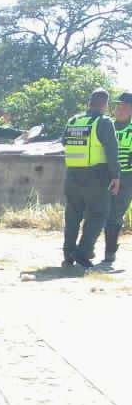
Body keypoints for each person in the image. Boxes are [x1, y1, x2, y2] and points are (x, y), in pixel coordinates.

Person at [62, 89, 121, 270]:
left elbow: (64, 142)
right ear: (105, 104)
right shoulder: (104, 122)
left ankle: (68, 254)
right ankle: (83, 252)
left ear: (89, 102)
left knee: (72, 216)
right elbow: (112, 151)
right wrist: (116, 176)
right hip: (96, 176)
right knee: (98, 215)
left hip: (72, 175)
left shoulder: (73, 120)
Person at [102, 92, 132, 267]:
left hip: (126, 178)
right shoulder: (107, 126)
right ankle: (86, 249)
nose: (119, 110)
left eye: (124, 107)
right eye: (117, 106)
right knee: (97, 213)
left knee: (114, 215)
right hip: (103, 177)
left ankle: (110, 252)